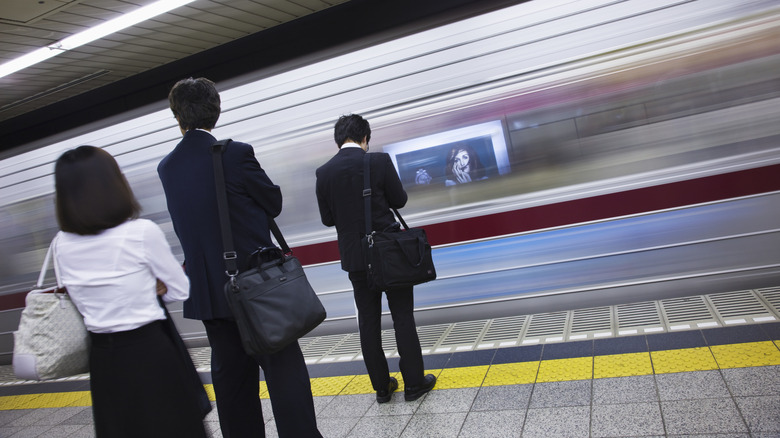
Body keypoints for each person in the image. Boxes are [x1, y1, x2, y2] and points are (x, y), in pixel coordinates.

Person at [157, 77, 321, 438]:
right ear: (216, 111)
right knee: (284, 373)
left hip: (210, 296)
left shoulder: (167, 167)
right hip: (256, 287)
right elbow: (272, 203)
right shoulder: (235, 153)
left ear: (177, 116)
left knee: (232, 383)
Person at [52, 146, 207, 437]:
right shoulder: (141, 232)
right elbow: (180, 290)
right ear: (112, 183)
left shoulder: (61, 243)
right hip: (149, 352)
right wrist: (151, 286)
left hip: (103, 361)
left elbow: (77, 297)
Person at [315, 114, 436, 403]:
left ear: (338, 140)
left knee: (368, 322)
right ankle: (414, 384)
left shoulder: (324, 172)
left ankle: (382, 388)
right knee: (402, 317)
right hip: (389, 254)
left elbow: (327, 219)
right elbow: (400, 200)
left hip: (356, 259)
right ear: (365, 138)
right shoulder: (379, 162)